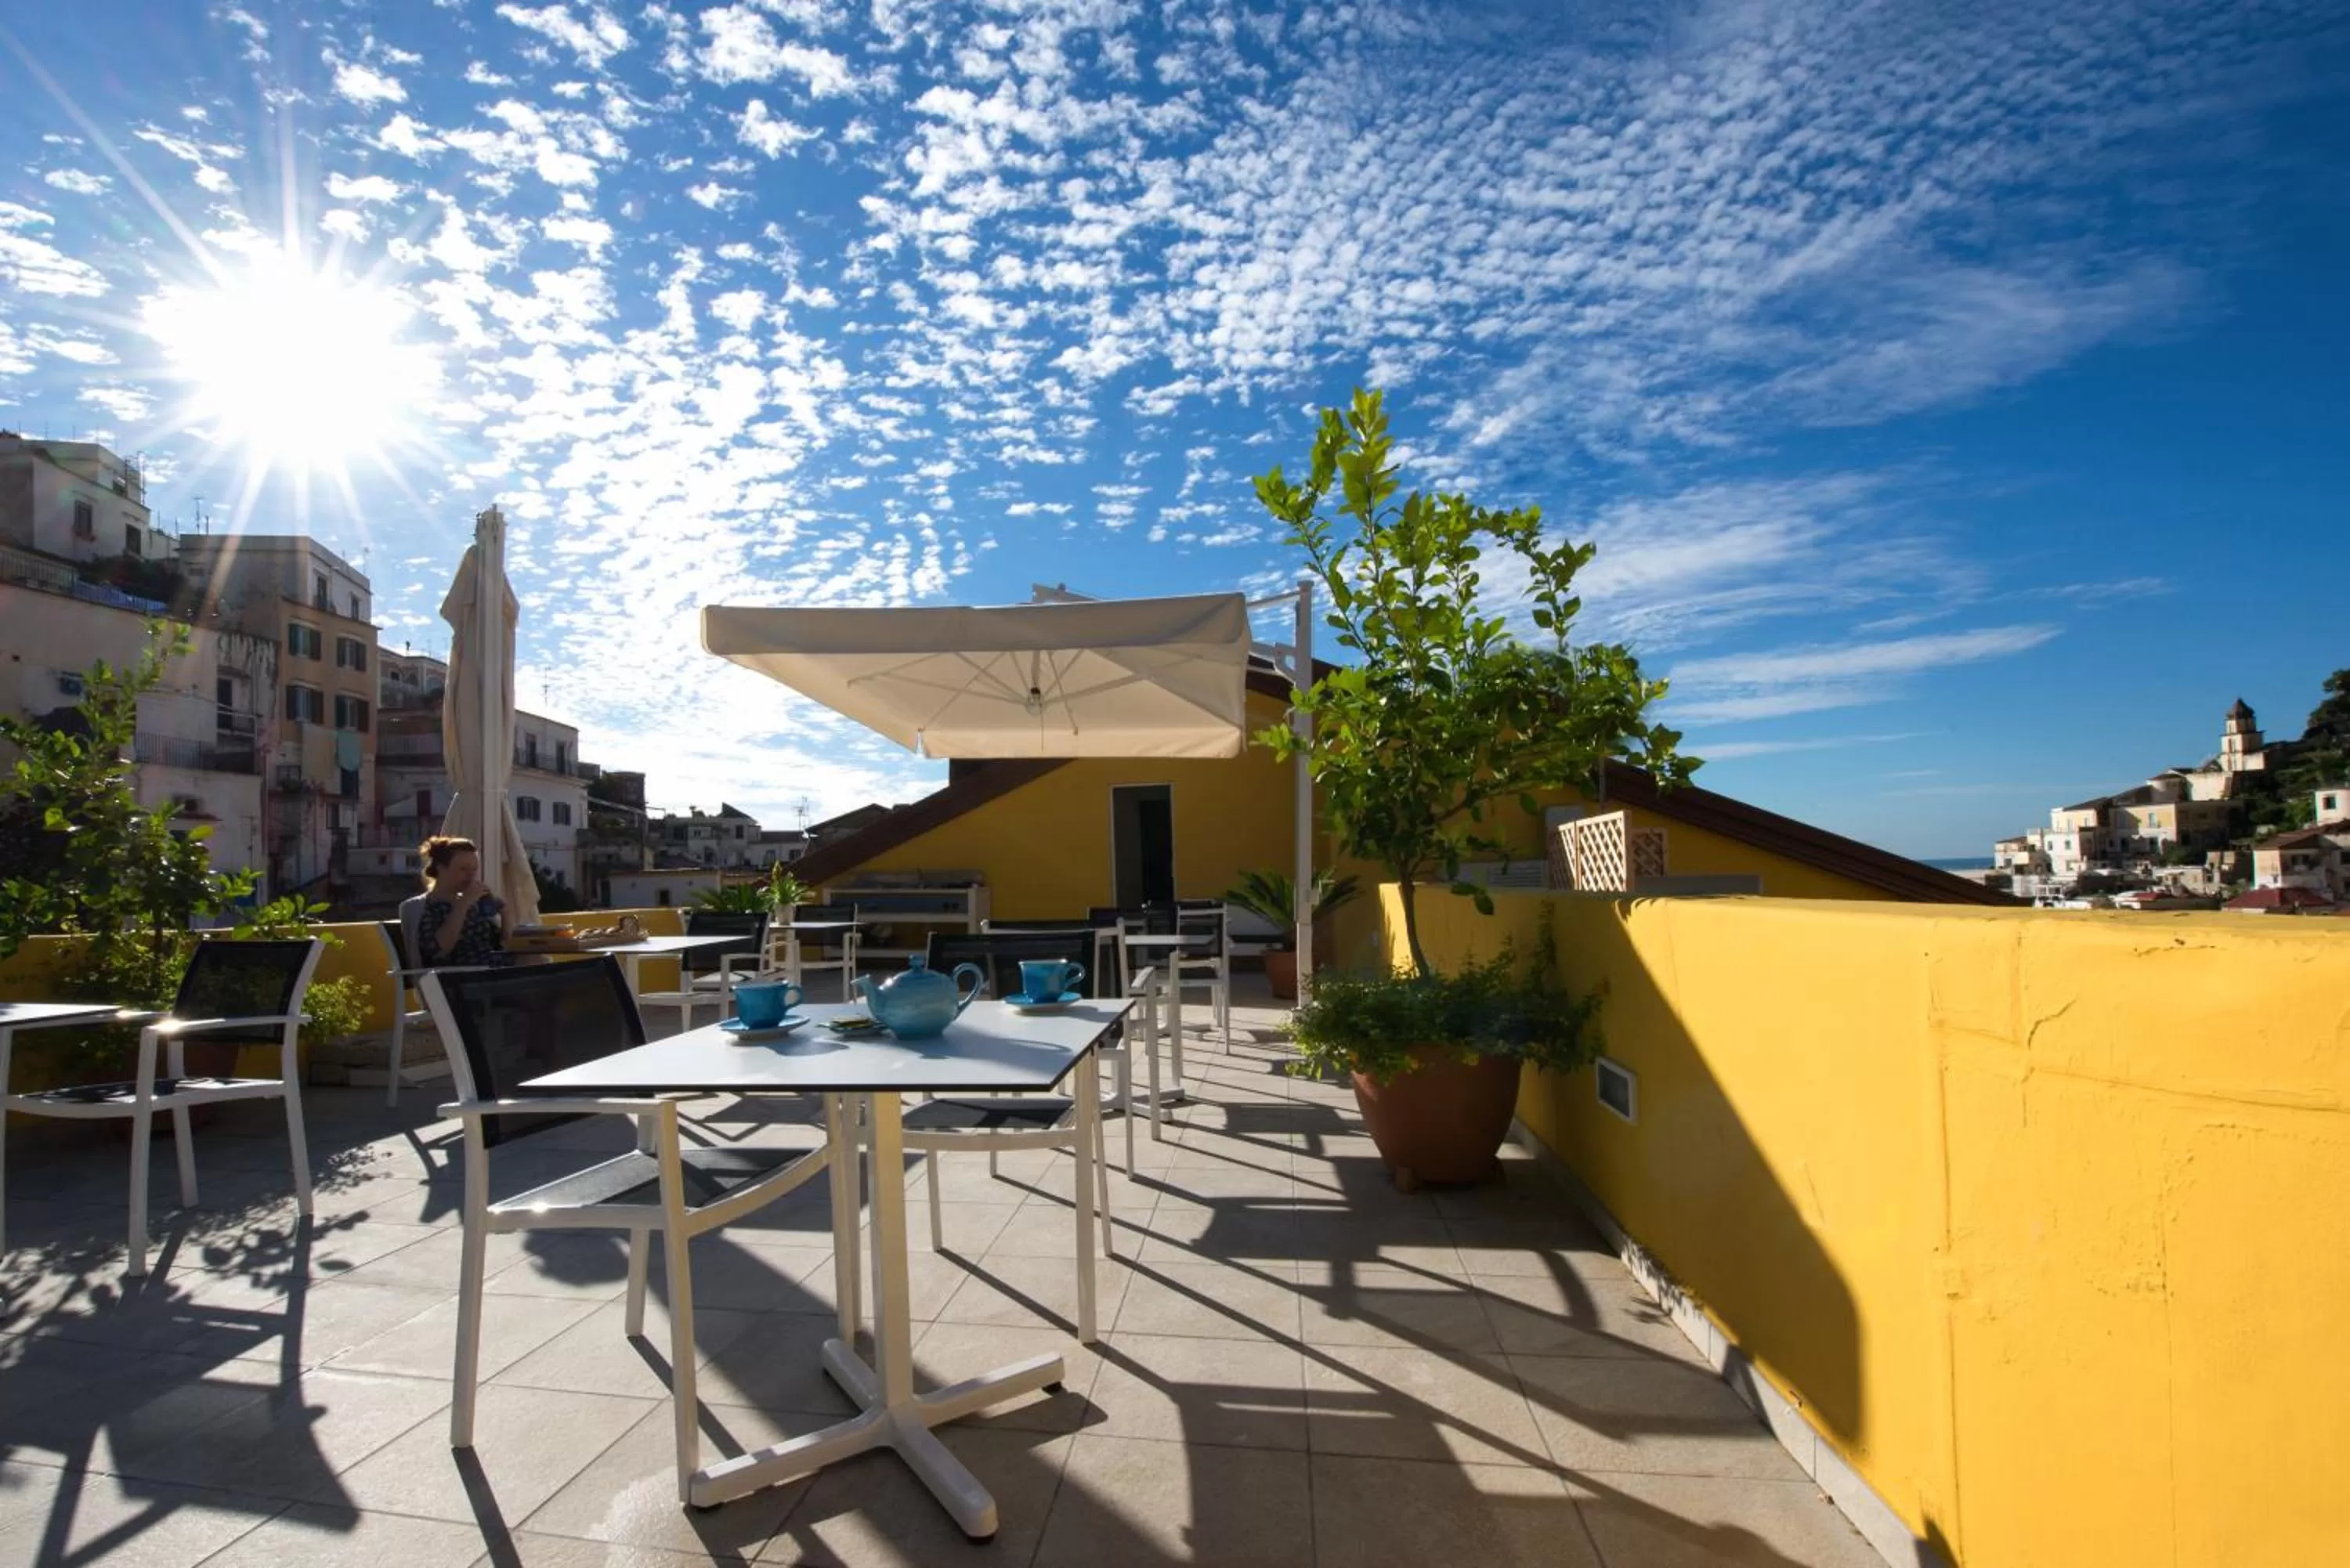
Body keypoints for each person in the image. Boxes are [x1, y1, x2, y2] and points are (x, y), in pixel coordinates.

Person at [418, 835, 515, 967]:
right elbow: (439, 950)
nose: (471, 875)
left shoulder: (473, 904)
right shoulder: (424, 906)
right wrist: (462, 904)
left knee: (536, 960)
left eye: (474, 869)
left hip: (493, 971)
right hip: (461, 978)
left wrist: (505, 912)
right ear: (441, 868)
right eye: (463, 869)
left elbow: (504, 945)